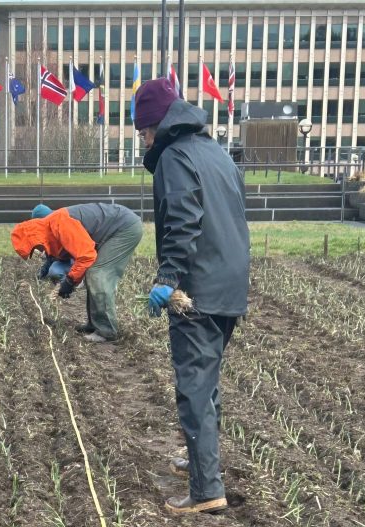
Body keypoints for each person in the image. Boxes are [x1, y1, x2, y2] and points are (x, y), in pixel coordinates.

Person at [134, 77, 250, 514]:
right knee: (208, 382)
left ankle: (205, 490)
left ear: (157, 126)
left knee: (194, 389)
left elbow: (183, 219)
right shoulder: (216, 153)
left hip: (197, 290)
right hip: (229, 286)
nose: (143, 139)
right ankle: (199, 462)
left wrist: (168, 277)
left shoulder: (174, 157)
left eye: (143, 130)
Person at [11, 203, 143, 343]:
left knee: (97, 274)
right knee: (92, 274)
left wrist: (70, 281)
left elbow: (86, 256)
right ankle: (94, 324)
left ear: (34, 238)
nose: (39, 251)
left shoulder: (60, 224)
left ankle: (107, 331)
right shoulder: (50, 230)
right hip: (115, 229)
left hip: (123, 228)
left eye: (34, 248)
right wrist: (67, 281)